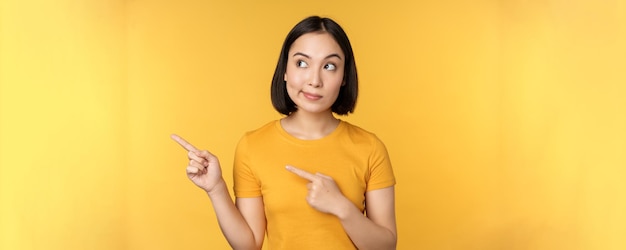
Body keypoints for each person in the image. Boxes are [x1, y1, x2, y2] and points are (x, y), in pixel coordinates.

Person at [172, 16, 397, 250]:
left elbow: (386, 247)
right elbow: (249, 245)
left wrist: (342, 207)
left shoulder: (370, 148)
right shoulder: (253, 146)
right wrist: (216, 188)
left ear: (343, 78)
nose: (314, 80)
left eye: (329, 66)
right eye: (302, 63)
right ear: (285, 71)